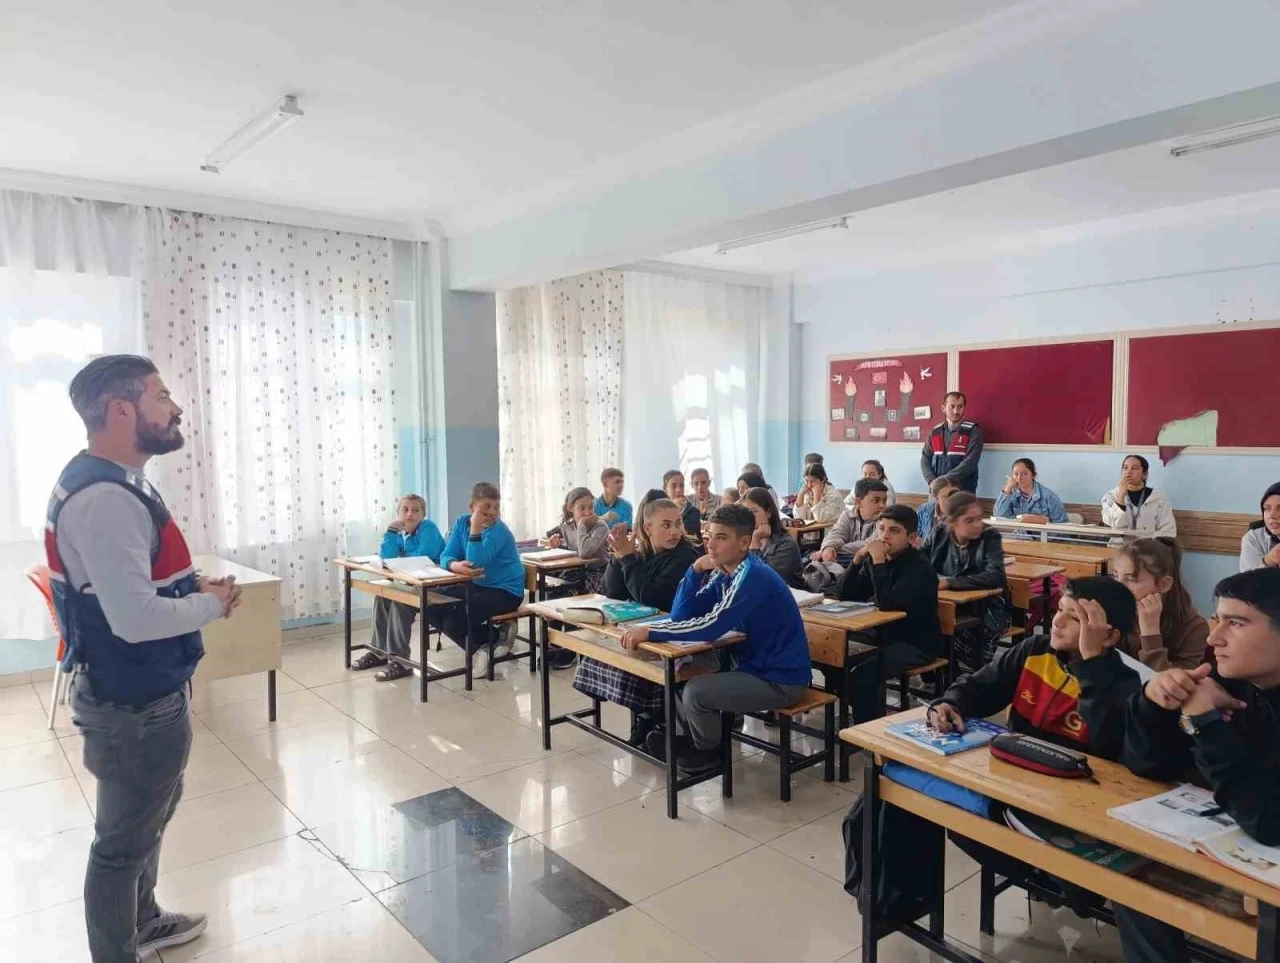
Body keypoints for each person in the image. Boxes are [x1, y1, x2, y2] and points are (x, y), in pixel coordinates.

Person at [49, 355, 243, 961]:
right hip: (130, 701)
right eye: (161, 397)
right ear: (120, 410)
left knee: (150, 816)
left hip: (147, 689)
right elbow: (132, 621)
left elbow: (131, 583)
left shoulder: (117, 479)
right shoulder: (105, 498)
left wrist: (189, 587)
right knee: (121, 845)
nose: (176, 408)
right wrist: (210, 605)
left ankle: (143, 921)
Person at [1077, 568, 1280, 962]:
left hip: (1265, 864)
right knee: (1135, 879)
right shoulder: (1230, 680)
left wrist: (1204, 724)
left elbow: (1269, 823)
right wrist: (1153, 703)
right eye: (1217, 619)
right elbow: (1149, 766)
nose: (1214, 638)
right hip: (1233, 845)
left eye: (1236, 623)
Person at [620, 504, 812, 774]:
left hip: (780, 680)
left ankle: (709, 753)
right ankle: (686, 740)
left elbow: (711, 625)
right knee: (683, 670)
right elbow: (682, 614)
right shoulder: (725, 572)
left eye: (721, 538)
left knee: (697, 692)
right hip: (751, 666)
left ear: (744, 543)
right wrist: (695, 569)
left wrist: (651, 632)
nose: (710, 545)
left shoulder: (752, 575)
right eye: (709, 536)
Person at [572, 493, 699, 746]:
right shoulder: (646, 553)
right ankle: (646, 718)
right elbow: (611, 593)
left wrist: (628, 559)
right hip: (645, 630)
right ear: (647, 529)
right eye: (666, 525)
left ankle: (654, 720)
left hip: (677, 637)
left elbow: (652, 598)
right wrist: (618, 557)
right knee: (603, 654)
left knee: (630, 662)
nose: (675, 531)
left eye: (678, 524)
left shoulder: (685, 556)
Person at [837, 505, 941, 721]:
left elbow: (887, 604)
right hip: (883, 634)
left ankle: (869, 730)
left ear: (911, 538)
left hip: (915, 643)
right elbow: (847, 596)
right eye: (881, 528)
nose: (884, 536)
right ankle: (861, 715)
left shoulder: (919, 568)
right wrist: (857, 561)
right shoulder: (878, 560)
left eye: (894, 531)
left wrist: (878, 562)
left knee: (865, 674)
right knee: (837, 658)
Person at [432, 482, 528, 672]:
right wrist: (455, 565)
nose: (492, 512)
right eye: (486, 507)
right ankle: (494, 640)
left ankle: (485, 648)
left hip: (506, 591)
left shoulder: (498, 530)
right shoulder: (461, 522)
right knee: (431, 604)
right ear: (472, 508)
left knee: (454, 623)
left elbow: (476, 562)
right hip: (478, 586)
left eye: (496, 507)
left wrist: (475, 528)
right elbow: (446, 555)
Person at [353, 494, 447, 681]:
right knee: (383, 596)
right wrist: (390, 533)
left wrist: (400, 560)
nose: (410, 514)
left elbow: (422, 558)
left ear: (423, 514)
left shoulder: (428, 528)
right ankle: (379, 652)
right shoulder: (399, 533)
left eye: (415, 510)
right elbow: (386, 558)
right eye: (405, 509)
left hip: (435, 585)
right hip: (412, 583)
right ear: (398, 513)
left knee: (399, 601)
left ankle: (400, 661)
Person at [924, 492, 1010, 673]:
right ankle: (941, 676)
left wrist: (950, 582)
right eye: (969, 521)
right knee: (920, 623)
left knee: (939, 630)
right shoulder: (939, 533)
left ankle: (953, 675)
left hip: (985, 609)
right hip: (944, 605)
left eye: (979, 518)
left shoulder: (989, 537)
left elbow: (996, 576)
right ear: (952, 522)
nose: (977, 525)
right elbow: (920, 563)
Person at [1111, 537, 1208, 671]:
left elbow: (1177, 682)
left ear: (1164, 585)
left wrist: (1150, 633)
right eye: (1115, 576)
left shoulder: (1194, 627)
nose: (1117, 586)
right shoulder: (1111, 610)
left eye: (1132, 579)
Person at [547, 485, 609, 593]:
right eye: (582, 508)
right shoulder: (566, 527)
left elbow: (584, 552)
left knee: (575, 588)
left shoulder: (600, 527)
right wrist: (558, 546)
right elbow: (573, 553)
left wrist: (581, 525)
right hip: (577, 571)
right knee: (556, 584)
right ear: (571, 508)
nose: (588, 512)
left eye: (590, 507)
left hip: (599, 573)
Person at [920, 391, 983, 493]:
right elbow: (925, 459)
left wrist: (943, 481)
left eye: (960, 406)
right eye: (952, 406)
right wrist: (931, 480)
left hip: (962, 491)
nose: (956, 411)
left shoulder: (973, 431)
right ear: (943, 408)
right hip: (937, 490)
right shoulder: (934, 432)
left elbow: (970, 462)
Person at [1100, 454, 1176, 538]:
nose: (1129, 472)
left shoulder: (1158, 498)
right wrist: (1121, 496)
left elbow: (1169, 531)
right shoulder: (1110, 496)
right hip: (1117, 545)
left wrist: (1145, 540)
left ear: (1145, 474)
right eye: (1125, 468)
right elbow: (1111, 527)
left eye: (1134, 468)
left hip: (1148, 544)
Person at [742, 486, 802, 587]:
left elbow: (762, 581)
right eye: (746, 512)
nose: (748, 517)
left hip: (788, 594)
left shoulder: (786, 545)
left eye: (754, 511)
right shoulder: (744, 539)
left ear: (769, 512)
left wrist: (755, 543)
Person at [818, 478, 889, 561]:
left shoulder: (885, 520)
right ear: (858, 502)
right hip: (847, 560)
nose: (882, 505)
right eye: (876, 501)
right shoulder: (848, 515)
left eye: (884, 501)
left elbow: (871, 544)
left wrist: (834, 549)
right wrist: (829, 547)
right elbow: (836, 534)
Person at [992, 458, 1067, 523]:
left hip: (1044, 534)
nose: (1019, 478)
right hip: (1018, 534)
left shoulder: (1049, 496)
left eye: (1025, 474)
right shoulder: (1011, 494)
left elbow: (1062, 525)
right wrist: (1007, 488)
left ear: (1033, 475)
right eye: (1016, 474)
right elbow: (999, 516)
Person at [1239, 481, 1280, 571]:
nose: (1272, 515)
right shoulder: (1254, 538)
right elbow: (1246, 578)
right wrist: (1268, 561)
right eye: (1267, 508)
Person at [916, 476, 957, 545]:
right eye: (946, 496)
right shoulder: (924, 510)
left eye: (955, 495)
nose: (952, 500)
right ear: (936, 498)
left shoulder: (964, 514)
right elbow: (916, 536)